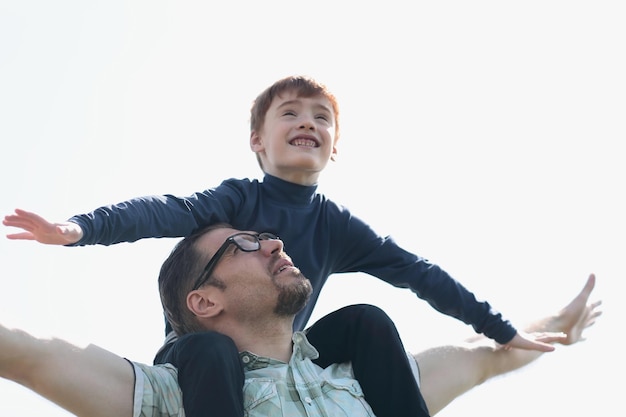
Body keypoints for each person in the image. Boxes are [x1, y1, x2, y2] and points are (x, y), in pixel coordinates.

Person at [4, 76, 563, 417]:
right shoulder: (235, 201)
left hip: (288, 347)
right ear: (257, 141)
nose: (308, 122)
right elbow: (161, 211)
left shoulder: (338, 226)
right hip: (203, 358)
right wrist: (78, 229)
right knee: (212, 353)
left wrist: (503, 332)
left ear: (334, 147)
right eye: (289, 113)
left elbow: (419, 273)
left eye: (322, 117)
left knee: (368, 320)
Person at [0, 224, 602, 417]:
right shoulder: (170, 396)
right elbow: (26, 351)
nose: (273, 245)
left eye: (269, 236)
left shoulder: (367, 382)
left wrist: (559, 328)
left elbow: (485, 356)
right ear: (205, 301)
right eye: (244, 244)